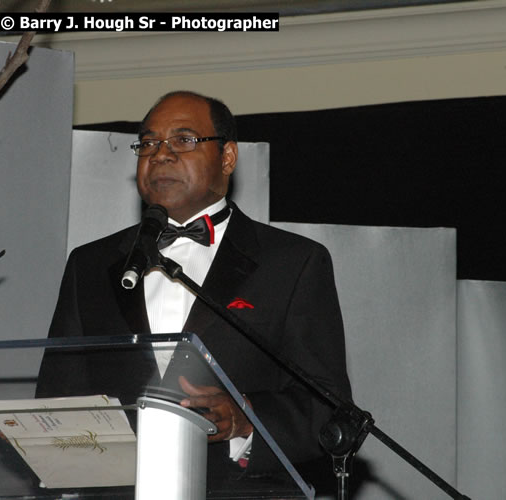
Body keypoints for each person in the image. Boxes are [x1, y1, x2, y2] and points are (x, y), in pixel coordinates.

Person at [36, 91, 352, 490]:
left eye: (183, 140)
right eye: (148, 143)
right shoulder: (90, 265)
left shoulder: (292, 262)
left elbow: (326, 410)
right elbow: (61, 397)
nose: (160, 155)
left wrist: (244, 419)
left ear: (227, 158)